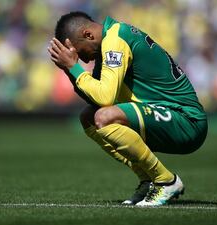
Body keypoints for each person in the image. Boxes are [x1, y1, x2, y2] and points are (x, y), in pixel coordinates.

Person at [48, 11, 207, 206]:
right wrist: (69, 69)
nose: (84, 61)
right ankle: (148, 180)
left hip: (187, 120)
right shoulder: (108, 43)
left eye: (80, 53)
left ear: (88, 35)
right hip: (165, 114)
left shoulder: (116, 40)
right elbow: (94, 97)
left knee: (104, 117)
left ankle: (165, 181)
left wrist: (74, 67)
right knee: (88, 116)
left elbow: (105, 98)